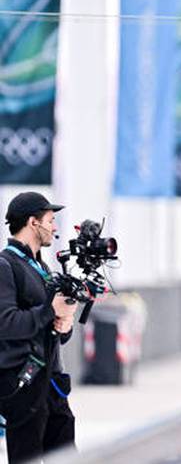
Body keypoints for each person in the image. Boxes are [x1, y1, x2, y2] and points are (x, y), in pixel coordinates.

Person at [0, 192, 79, 463]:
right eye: (50, 220)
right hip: (24, 385)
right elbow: (5, 323)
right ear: (33, 223)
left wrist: (64, 325)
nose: (54, 227)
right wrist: (50, 310)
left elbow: (52, 329)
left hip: (52, 382)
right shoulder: (5, 265)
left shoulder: (41, 267)